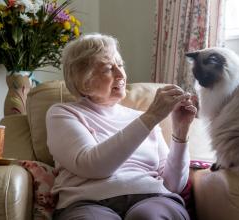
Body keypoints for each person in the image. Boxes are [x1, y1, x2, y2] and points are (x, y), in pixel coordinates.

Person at [46, 33, 197, 220]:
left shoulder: (142, 119)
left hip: (153, 198)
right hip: (87, 202)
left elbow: (173, 185)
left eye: (121, 65)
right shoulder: (63, 113)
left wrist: (181, 132)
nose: (121, 75)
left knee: (149, 216)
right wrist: (152, 117)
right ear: (83, 82)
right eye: (109, 68)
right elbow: (93, 166)